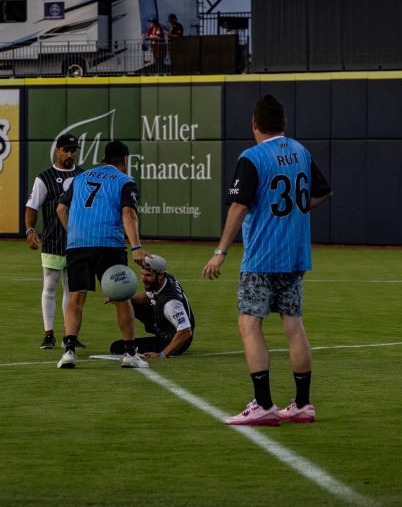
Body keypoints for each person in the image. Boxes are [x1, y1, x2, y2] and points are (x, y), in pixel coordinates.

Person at [202, 94, 332, 427]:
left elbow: (239, 206)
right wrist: (294, 213)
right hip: (296, 253)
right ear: (284, 123)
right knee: (293, 324)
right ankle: (302, 404)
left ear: (254, 124)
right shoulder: (301, 151)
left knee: (249, 323)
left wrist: (220, 252)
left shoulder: (252, 157)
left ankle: (263, 404)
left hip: (262, 256)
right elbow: (323, 191)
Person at [56, 140, 148, 369]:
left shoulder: (79, 178)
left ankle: (68, 351)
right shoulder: (124, 181)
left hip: (78, 244)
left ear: (104, 159)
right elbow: (128, 214)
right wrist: (136, 246)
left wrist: (74, 233)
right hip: (109, 244)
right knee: (121, 296)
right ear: (125, 160)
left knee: (76, 296)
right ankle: (130, 353)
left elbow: (60, 208)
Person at [24, 134, 83, 350]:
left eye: (73, 150)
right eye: (66, 150)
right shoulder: (45, 178)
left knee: (72, 289)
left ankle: (69, 334)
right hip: (53, 240)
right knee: (50, 286)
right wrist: (30, 230)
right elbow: (32, 207)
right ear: (57, 150)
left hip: (77, 242)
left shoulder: (81, 175)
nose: (70, 154)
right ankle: (48, 333)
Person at [109, 254, 194, 359]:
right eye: (142, 274)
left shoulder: (171, 303)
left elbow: (186, 331)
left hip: (176, 340)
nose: (144, 279)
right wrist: (123, 298)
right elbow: (147, 296)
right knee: (128, 304)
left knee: (117, 347)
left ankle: (164, 344)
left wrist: (162, 354)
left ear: (160, 275)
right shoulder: (162, 280)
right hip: (167, 326)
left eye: (148, 275)